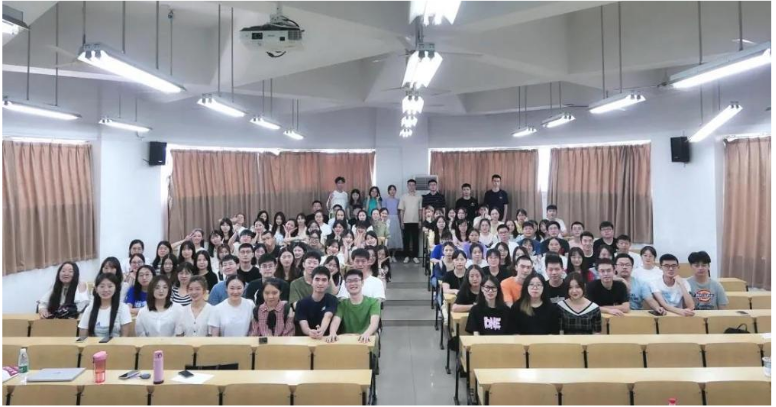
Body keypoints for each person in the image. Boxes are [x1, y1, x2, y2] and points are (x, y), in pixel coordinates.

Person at [327, 269, 381, 344]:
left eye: (356, 280)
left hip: (366, 340)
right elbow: (336, 321)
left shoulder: (373, 302)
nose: (352, 283)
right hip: (347, 341)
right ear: (345, 285)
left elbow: (374, 323)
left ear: (362, 283)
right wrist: (332, 332)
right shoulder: (342, 304)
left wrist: (367, 333)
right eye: (349, 281)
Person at [79, 273, 132, 338]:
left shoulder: (123, 308)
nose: (106, 290)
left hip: (117, 344)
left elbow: (124, 336)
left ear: (115, 288)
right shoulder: (89, 309)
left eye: (110, 286)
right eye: (102, 286)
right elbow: (82, 337)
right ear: (96, 289)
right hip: (93, 344)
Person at [296, 267, 339, 339]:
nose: (320, 283)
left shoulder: (332, 299)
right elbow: (304, 326)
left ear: (328, 284)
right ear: (311, 282)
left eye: (324, 280)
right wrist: (310, 331)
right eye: (317, 279)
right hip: (308, 339)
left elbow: (328, 316)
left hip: (327, 339)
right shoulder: (301, 303)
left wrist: (321, 330)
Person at [398, 179, 423, 264]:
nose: (411, 186)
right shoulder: (403, 197)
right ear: (407, 186)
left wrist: (420, 220)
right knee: (406, 240)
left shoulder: (419, 197)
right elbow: (401, 210)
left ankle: (415, 256)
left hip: (416, 221)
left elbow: (420, 210)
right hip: (406, 221)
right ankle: (406, 256)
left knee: (415, 240)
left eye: (413, 185)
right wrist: (401, 222)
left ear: (415, 186)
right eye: (410, 185)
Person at [382, 186, 403, 262]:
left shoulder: (398, 200)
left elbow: (399, 212)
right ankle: (388, 256)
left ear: (395, 191)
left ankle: (393, 255)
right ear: (388, 191)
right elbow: (383, 211)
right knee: (388, 238)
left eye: (394, 190)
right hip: (387, 219)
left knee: (395, 237)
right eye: (390, 190)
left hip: (396, 219)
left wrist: (401, 221)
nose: (392, 191)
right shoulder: (385, 200)